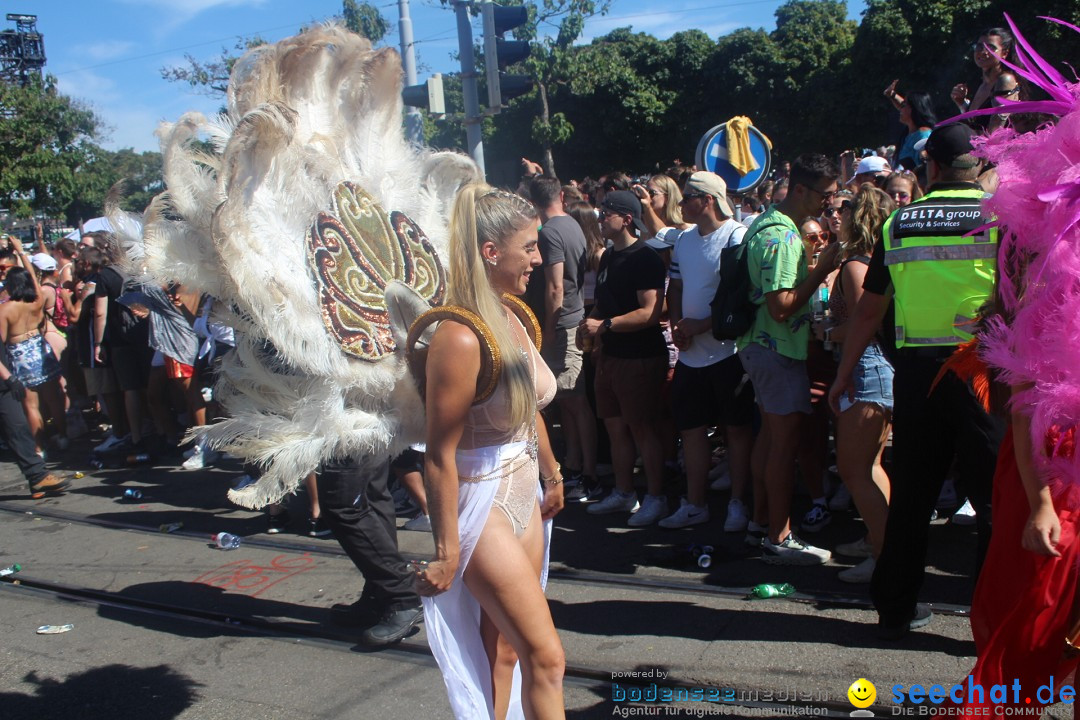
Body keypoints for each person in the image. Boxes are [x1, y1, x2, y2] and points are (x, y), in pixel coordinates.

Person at [829, 123, 1005, 639]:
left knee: (912, 498)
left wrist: (843, 376)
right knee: (991, 502)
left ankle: (895, 609)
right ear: (979, 167)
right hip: (981, 372)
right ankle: (991, 621)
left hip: (917, 374)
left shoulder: (900, 223)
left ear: (931, 166)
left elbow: (866, 314)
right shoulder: (1000, 218)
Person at [415, 184, 565, 719]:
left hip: (523, 486)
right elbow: (437, 454)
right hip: (480, 500)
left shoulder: (515, 315)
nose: (539, 258)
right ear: (490, 251)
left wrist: (551, 474)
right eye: (529, 247)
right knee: (546, 658)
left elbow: (528, 408)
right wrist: (446, 550)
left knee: (503, 648)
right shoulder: (457, 337)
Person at [736, 154, 842, 565]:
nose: (829, 206)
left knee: (770, 438)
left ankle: (761, 523)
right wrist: (821, 269)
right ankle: (779, 536)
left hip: (764, 346)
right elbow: (780, 306)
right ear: (800, 190)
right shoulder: (782, 237)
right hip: (776, 346)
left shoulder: (766, 223)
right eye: (824, 196)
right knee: (782, 445)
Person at [659, 171, 754, 533]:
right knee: (692, 431)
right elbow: (677, 287)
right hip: (690, 355)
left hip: (730, 353)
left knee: (737, 432)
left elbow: (740, 297)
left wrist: (700, 326)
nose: (681, 204)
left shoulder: (737, 235)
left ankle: (737, 504)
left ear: (707, 200)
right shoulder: (684, 240)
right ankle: (695, 503)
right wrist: (678, 325)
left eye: (687, 197)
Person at [816, 185, 897, 584]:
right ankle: (877, 541)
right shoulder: (872, 260)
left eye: (843, 209)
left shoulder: (856, 265)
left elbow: (868, 321)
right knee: (870, 466)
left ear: (857, 216)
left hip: (866, 370)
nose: (836, 215)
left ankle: (886, 557)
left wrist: (828, 332)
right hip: (873, 370)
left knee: (854, 470)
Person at [579, 191, 669, 527]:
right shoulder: (607, 257)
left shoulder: (645, 258)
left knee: (643, 429)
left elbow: (650, 313)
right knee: (615, 428)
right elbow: (606, 302)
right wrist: (591, 323)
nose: (600, 219)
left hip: (640, 357)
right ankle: (624, 491)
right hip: (611, 355)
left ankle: (656, 498)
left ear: (626, 219)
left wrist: (604, 324)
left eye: (606, 214)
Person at [527, 177, 597, 497]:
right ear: (560, 196)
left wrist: (549, 328)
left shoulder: (552, 232)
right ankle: (574, 464)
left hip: (564, 324)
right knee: (567, 402)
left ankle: (588, 474)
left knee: (575, 402)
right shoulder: (572, 225)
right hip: (572, 320)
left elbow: (555, 287)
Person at [0, 252, 67, 453]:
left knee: (31, 405)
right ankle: (63, 435)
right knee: (54, 398)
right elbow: (36, 283)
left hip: (20, 353)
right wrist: (21, 254)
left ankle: (39, 447)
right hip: (41, 349)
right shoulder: (37, 301)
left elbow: (1, 340)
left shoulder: (5, 310)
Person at [950, 27, 1020, 133]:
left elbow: (995, 130)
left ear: (1004, 53)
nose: (983, 52)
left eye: (991, 48)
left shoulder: (1005, 80)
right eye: (979, 47)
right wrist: (962, 104)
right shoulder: (980, 83)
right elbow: (974, 124)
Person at [883, 83, 937, 171]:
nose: (900, 109)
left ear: (915, 109)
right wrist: (892, 95)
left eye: (903, 105)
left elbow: (926, 170)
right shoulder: (909, 135)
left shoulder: (923, 135)